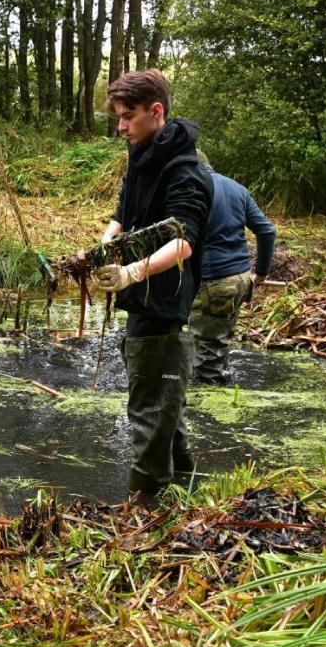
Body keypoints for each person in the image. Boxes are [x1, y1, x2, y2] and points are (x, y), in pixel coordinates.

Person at [90, 69, 213, 500]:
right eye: (119, 118)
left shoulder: (186, 172)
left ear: (155, 111)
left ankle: (147, 508)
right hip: (140, 300)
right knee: (164, 408)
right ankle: (189, 496)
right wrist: (105, 245)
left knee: (149, 410)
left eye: (128, 116)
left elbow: (184, 242)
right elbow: (123, 213)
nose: (121, 127)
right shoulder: (141, 156)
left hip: (164, 299)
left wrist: (131, 272)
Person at [190, 170, 276, 385]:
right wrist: (261, 271)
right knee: (218, 341)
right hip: (239, 278)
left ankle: (207, 400)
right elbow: (267, 231)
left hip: (214, 280)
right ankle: (220, 387)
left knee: (208, 356)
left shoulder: (190, 188)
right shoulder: (237, 188)